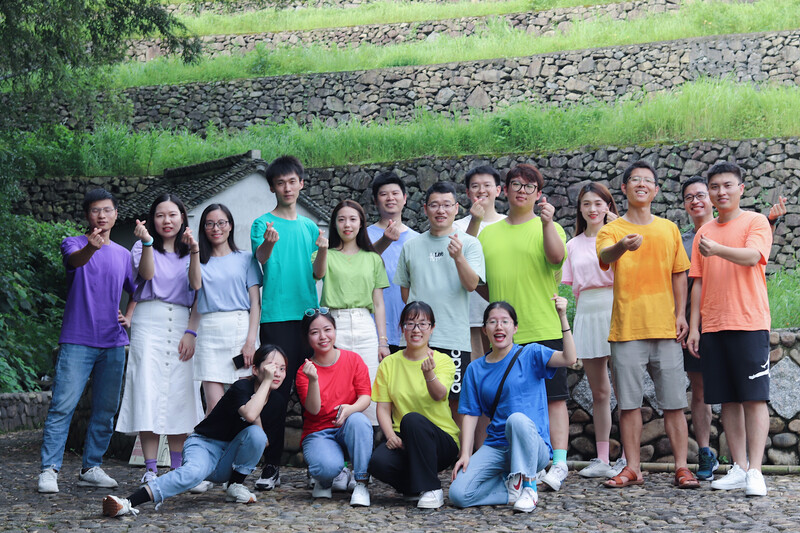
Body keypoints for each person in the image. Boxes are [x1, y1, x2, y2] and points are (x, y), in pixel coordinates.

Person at [596, 160, 698, 489]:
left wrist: (680, 315)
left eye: (647, 181)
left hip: (666, 329)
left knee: (675, 403)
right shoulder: (611, 230)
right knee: (629, 405)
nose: (641, 184)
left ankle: (682, 467)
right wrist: (622, 246)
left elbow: (679, 274)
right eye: (634, 179)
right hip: (627, 329)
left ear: (655, 190)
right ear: (623, 188)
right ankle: (632, 468)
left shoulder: (668, 229)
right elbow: (605, 257)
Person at [101, 345, 289, 516]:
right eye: (271, 367)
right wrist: (265, 384)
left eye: (282, 369)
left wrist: (259, 414)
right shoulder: (242, 387)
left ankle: (235, 485)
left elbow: (263, 442)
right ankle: (127, 502)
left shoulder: (277, 402)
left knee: (256, 435)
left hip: (228, 460)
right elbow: (249, 413)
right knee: (192, 473)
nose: (277, 373)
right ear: (255, 369)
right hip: (204, 446)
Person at [477, 164, 571, 492]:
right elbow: (480, 283)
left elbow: (556, 259)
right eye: (516, 184)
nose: (522, 190)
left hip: (543, 324)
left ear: (538, 194)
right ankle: (517, 464)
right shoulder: (488, 234)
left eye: (529, 186)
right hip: (504, 333)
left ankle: (559, 462)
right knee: (507, 400)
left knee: (554, 398)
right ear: (504, 190)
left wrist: (546, 224)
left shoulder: (550, 227)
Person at [38, 189, 137, 494]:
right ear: (87, 215)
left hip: (113, 342)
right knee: (62, 406)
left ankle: (91, 467)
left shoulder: (123, 255)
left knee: (106, 409)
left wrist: (129, 316)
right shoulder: (74, 243)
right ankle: (49, 470)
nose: (101, 215)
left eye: (107, 210)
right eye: (95, 210)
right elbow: (75, 261)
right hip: (77, 339)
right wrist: (91, 249)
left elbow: (138, 289)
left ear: (116, 214)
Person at [687, 162, 773, 497]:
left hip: (749, 322)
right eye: (715, 187)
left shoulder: (755, 221)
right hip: (713, 325)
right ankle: (738, 466)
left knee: (754, 397)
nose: (720, 192)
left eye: (727, 185)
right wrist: (695, 328)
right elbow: (697, 282)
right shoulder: (703, 232)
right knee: (728, 400)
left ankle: (756, 470)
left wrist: (718, 249)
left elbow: (753, 256)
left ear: (741, 188)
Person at [450, 298, 577, 513]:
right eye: (492, 322)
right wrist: (465, 454)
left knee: (516, 419)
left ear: (515, 328)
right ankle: (511, 491)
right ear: (485, 330)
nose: (499, 326)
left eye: (505, 321)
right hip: (497, 445)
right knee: (458, 494)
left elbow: (569, 358)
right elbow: (470, 413)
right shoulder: (475, 369)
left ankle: (529, 488)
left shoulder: (531, 354)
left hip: (533, 447)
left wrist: (563, 316)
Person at [116, 194, 204, 485]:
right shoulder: (142, 246)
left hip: (181, 321)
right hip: (148, 321)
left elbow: (197, 289)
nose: (167, 221)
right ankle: (151, 469)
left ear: (183, 218)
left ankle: (178, 469)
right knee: (147, 389)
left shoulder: (192, 250)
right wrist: (147, 243)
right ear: (152, 219)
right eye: (160, 215)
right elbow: (148, 274)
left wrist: (191, 332)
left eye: (173, 215)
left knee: (180, 391)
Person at [251, 155, 320, 490]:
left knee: (311, 390)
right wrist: (268, 242)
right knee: (275, 392)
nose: (287, 188)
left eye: (293, 181)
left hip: (308, 317)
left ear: (301, 184)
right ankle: (271, 465)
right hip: (276, 317)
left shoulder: (310, 227)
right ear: (272, 188)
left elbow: (318, 272)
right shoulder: (261, 224)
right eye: (280, 183)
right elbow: (260, 260)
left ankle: (317, 466)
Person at [394, 181, 485, 426]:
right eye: (434, 205)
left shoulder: (469, 243)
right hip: (416, 338)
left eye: (446, 205)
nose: (440, 210)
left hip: (453, 336)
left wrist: (458, 257)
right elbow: (406, 293)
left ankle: (457, 449)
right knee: (413, 398)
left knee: (455, 401)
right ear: (425, 209)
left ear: (456, 208)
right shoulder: (411, 246)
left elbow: (472, 285)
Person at [368, 301, 460, 509]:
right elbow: (383, 408)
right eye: (410, 323)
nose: (416, 330)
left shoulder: (443, 361)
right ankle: (413, 488)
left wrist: (429, 374)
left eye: (423, 324)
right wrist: (390, 436)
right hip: (404, 440)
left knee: (412, 420)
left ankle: (432, 488)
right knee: (378, 463)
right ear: (402, 328)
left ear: (432, 328)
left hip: (440, 440)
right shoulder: (389, 363)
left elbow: (439, 395)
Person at [560, 183, 620, 479]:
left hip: (617, 307)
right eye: (587, 204)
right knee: (600, 391)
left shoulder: (620, 236)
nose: (593, 209)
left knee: (625, 389)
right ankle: (603, 458)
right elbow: (572, 288)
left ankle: (629, 458)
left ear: (608, 205)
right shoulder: (572, 245)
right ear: (580, 209)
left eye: (599, 203)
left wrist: (618, 229)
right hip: (587, 310)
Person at [312, 199, 389, 425]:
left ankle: (368, 439)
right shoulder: (325, 253)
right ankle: (336, 435)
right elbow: (318, 273)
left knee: (370, 383)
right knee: (337, 384)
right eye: (342, 219)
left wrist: (382, 341)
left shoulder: (373, 258)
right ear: (334, 224)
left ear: (361, 223)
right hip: (335, 324)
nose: (347, 224)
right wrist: (323, 249)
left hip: (365, 324)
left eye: (353, 219)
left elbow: (379, 303)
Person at [295, 309, 373, 506]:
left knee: (359, 420)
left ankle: (361, 483)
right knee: (326, 468)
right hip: (319, 432)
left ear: (335, 331)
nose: (323, 336)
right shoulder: (304, 371)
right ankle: (325, 478)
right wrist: (313, 380)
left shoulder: (353, 359)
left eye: (327, 329)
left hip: (347, 426)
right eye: (315, 332)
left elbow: (365, 397)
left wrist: (350, 409)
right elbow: (313, 410)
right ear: (307, 338)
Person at [190, 204, 262, 415]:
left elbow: (255, 303)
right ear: (203, 228)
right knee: (215, 407)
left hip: (240, 329)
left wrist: (250, 341)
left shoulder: (246, 258)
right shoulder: (197, 260)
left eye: (221, 223)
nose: (216, 228)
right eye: (210, 224)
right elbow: (195, 288)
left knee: (244, 402)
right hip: (209, 332)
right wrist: (194, 252)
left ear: (230, 225)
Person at [679, 176, 718, 481]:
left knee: (737, 391)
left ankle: (744, 461)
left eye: (701, 195)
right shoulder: (681, 241)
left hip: (729, 318)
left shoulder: (730, 230)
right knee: (700, 389)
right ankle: (705, 451)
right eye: (689, 197)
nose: (696, 201)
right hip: (695, 323)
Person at [452, 165, 507, 359]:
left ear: (498, 190)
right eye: (475, 186)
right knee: (475, 370)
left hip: (505, 315)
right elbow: (462, 257)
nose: (481, 190)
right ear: (468, 192)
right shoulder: (456, 226)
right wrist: (475, 221)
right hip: (471, 315)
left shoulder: (509, 223)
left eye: (487, 185)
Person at [367, 171, 420, 353]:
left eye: (395, 193)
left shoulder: (417, 239)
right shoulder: (363, 237)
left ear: (404, 198)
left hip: (411, 327)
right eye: (384, 194)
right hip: (373, 328)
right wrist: (385, 240)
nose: (390, 198)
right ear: (375, 201)